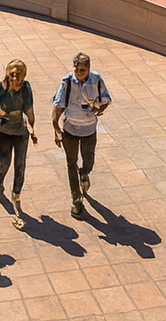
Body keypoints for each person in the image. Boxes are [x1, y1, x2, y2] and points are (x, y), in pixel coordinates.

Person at [52, 52, 112, 219]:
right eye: (77, 70)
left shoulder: (96, 80)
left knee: (89, 159)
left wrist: (99, 109)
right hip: (70, 129)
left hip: (89, 129)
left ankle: (84, 173)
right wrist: (56, 129)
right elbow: (58, 106)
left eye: (83, 70)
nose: (79, 73)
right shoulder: (66, 82)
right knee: (71, 164)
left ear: (89, 69)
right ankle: (77, 200)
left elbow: (106, 99)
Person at [0, 59, 37, 229]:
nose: (15, 78)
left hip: (21, 133)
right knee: (5, 162)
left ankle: (16, 193)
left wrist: (32, 127)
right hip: (3, 132)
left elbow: (29, 110)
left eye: (18, 75)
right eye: (12, 74)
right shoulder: (0, 88)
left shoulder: (26, 88)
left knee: (20, 165)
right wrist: (0, 114)